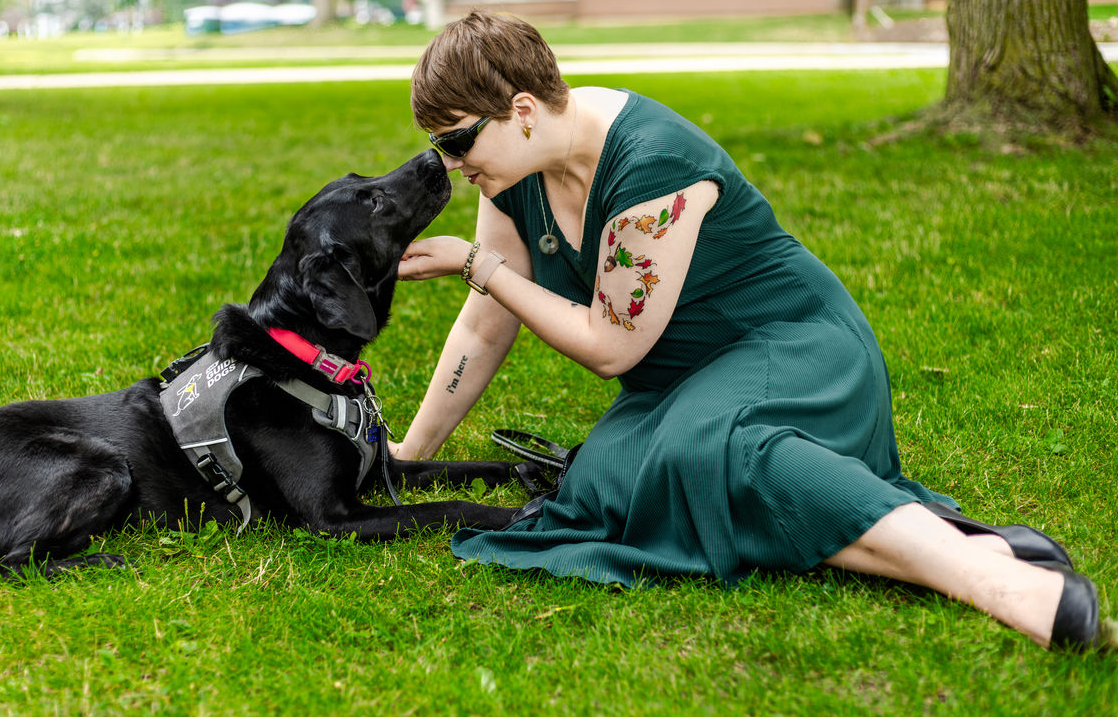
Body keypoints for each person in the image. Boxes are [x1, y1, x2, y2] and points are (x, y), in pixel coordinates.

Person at [393, 10, 1108, 651]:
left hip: (792, 346)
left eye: (457, 142)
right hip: (685, 384)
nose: (453, 166)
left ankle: (991, 577)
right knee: (599, 486)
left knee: (715, 455)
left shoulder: (652, 167)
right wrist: (410, 456)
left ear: (521, 109)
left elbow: (609, 348)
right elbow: (485, 328)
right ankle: (952, 539)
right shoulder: (513, 175)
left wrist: (477, 264)